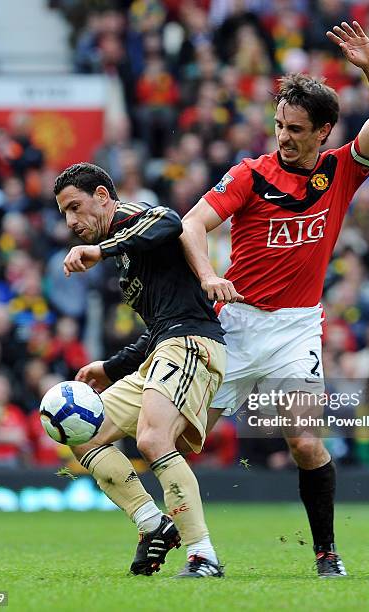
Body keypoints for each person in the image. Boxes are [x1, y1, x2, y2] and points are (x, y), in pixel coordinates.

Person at [180, 21, 369, 577]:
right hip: (231, 324)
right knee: (179, 438)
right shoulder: (250, 176)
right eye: (279, 124)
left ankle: (327, 555)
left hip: (296, 328)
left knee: (304, 440)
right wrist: (209, 274)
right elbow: (191, 225)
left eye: (297, 129)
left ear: (324, 131)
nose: (283, 137)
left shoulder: (342, 172)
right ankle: (178, 543)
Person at [53, 163, 226, 578]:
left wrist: (102, 249)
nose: (72, 222)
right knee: (82, 433)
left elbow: (169, 220)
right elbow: (156, 328)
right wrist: (110, 367)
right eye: (64, 214)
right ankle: (154, 524)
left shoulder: (134, 219)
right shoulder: (128, 257)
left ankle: (203, 555)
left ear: (101, 196)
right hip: (164, 347)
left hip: (192, 343)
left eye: (75, 208)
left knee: (152, 438)